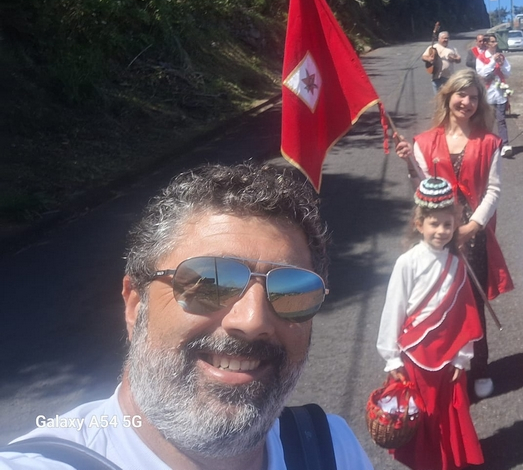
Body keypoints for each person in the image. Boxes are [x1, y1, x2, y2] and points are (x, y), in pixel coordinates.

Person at [0, 163, 373, 469]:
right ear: (135, 305)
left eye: (292, 290)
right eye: (210, 280)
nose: (253, 319)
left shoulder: (332, 450)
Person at [395, 69, 514, 401]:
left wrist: (472, 226)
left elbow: (493, 190)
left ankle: (480, 367)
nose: (467, 102)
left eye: (474, 97)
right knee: (437, 299)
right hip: (436, 232)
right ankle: (444, 364)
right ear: (447, 97)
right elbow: (420, 189)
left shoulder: (490, 142)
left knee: (471, 301)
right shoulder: (423, 142)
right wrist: (409, 163)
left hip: (471, 232)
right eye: (461, 95)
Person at [377, 177, 485, 470]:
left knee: (445, 413)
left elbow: (465, 314)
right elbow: (394, 308)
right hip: (415, 355)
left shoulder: (457, 263)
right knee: (421, 413)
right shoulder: (407, 262)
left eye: (447, 225)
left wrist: (462, 357)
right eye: (434, 224)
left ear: (455, 225)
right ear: (419, 223)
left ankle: (446, 461)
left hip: (448, 356)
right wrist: (391, 358)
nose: (441, 231)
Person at [474, 34, 513, 158]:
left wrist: (501, 64)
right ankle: (487, 146)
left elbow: (508, 73)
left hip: (500, 93)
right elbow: (483, 73)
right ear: (487, 44)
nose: (495, 43)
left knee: (501, 120)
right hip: (488, 94)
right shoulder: (481, 58)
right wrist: (492, 62)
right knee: (488, 121)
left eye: (495, 41)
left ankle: (505, 145)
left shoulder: (502, 57)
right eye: (492, 42)